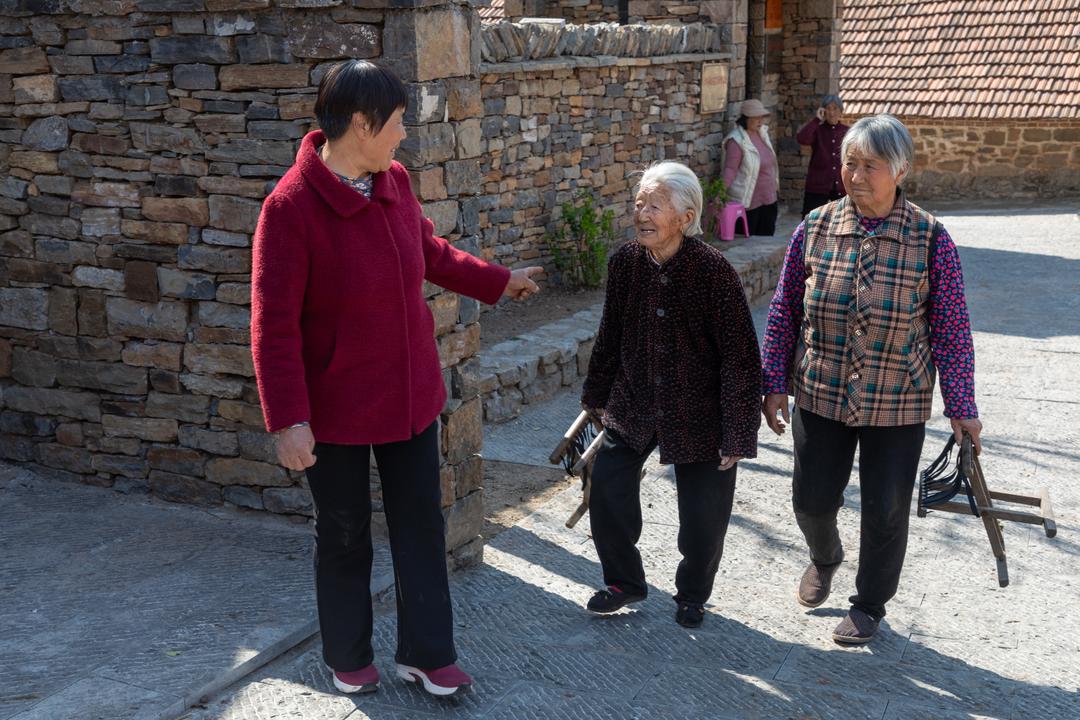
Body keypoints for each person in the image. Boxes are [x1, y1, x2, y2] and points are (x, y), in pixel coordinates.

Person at [251, 60, 542, 697]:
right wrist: (288, 420)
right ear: (361, 124)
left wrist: (498, 281)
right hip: (335, 410)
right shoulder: (289, 208)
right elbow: (273, 327)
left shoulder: (396, 181)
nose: (404, 134)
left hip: (410, 398)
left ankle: (428, 655)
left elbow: (430, 252)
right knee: (345, 533)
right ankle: (348, 654)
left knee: (422, 527)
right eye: (398, 122)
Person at [760, 114, 982, 644]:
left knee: (886, 508)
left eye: (871, 166)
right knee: (811, 500)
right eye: (850, 164)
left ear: (900, 170)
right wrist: (774, 381)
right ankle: (824, 555)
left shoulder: (930, 238)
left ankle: (869, 605)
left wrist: (962, 406)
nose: (856, 176)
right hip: (821, 389)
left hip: (897, 396)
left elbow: (952, 329)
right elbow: (785, 310)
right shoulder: (815, 228)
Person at [580, 161, 762, 629]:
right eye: (639, 203)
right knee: (607, 487)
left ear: (685, 217)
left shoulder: (713, 272)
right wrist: (595, 394)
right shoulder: (625, 263)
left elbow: (741, 357)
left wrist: (737, 433)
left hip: (699, 410)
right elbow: (610, 333)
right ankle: (623, 582)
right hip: (634, 401)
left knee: (703, 517)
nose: (642, 213)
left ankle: (693, 594)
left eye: (654, 205)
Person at [722, 98, 779, 237]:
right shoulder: (736, 141)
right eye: (756, 118)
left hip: (769, 199)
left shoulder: (762, 134)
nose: (760, 121)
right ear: (746, 119)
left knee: (766, 240)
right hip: (749, 202)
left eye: (761, 117)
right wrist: (720, 192)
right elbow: (730, 169)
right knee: (747, 241)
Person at [796, 94, 848, 217]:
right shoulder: (817, 130)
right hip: (818, 185)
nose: (832, 112)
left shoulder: (847, 131)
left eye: (835, 108)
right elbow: (802, 139)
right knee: (810, 218)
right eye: (828, 109)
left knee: (843, 219)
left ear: (841, 111)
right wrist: (816, 120)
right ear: (823, 111)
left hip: (841, 186)